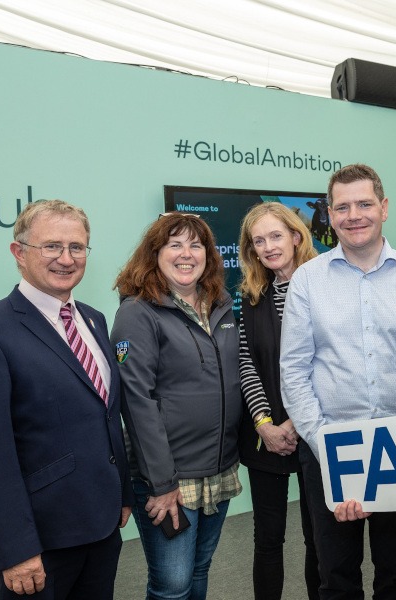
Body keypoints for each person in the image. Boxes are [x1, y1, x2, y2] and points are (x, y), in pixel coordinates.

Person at [281, 164, 396, 599]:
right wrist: (324, 443)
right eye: (343, 207)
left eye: (364, 204)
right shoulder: (308, 281)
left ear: (383, 208)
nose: (354, 215)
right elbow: (293, 369)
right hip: (330, 445)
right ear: (329, 215)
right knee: (336, 574)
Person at [0, 199, 132, 599]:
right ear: (19, 253)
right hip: (39, 543)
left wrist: (124, 493)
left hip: (101, 526)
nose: (66, 258)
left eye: (77, 247)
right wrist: (14, 549)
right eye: (52, 246)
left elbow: (106, 417)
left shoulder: (93, 318)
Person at [111, 212, 242, 600]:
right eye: (175, 244)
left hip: (217, 469)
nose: (187, 254)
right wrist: (161, 484)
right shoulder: (138, 312)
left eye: (195, 245)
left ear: (209, 255)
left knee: (199, 570)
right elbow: (137, 402)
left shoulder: (219, 305)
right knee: (171, 585)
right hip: (169, 478)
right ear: (155, 254)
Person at [237, 202, 320, 600]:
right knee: (267, 540)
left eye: (275, 235)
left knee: (320, 537)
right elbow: (246, 364)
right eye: (258, 241)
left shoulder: (323, 287)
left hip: (317, 432)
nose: (268, 247)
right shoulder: (251, 297)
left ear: (296, 236)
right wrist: (264, 423)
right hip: (266, 434)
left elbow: (329, 363)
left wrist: (296, 422)